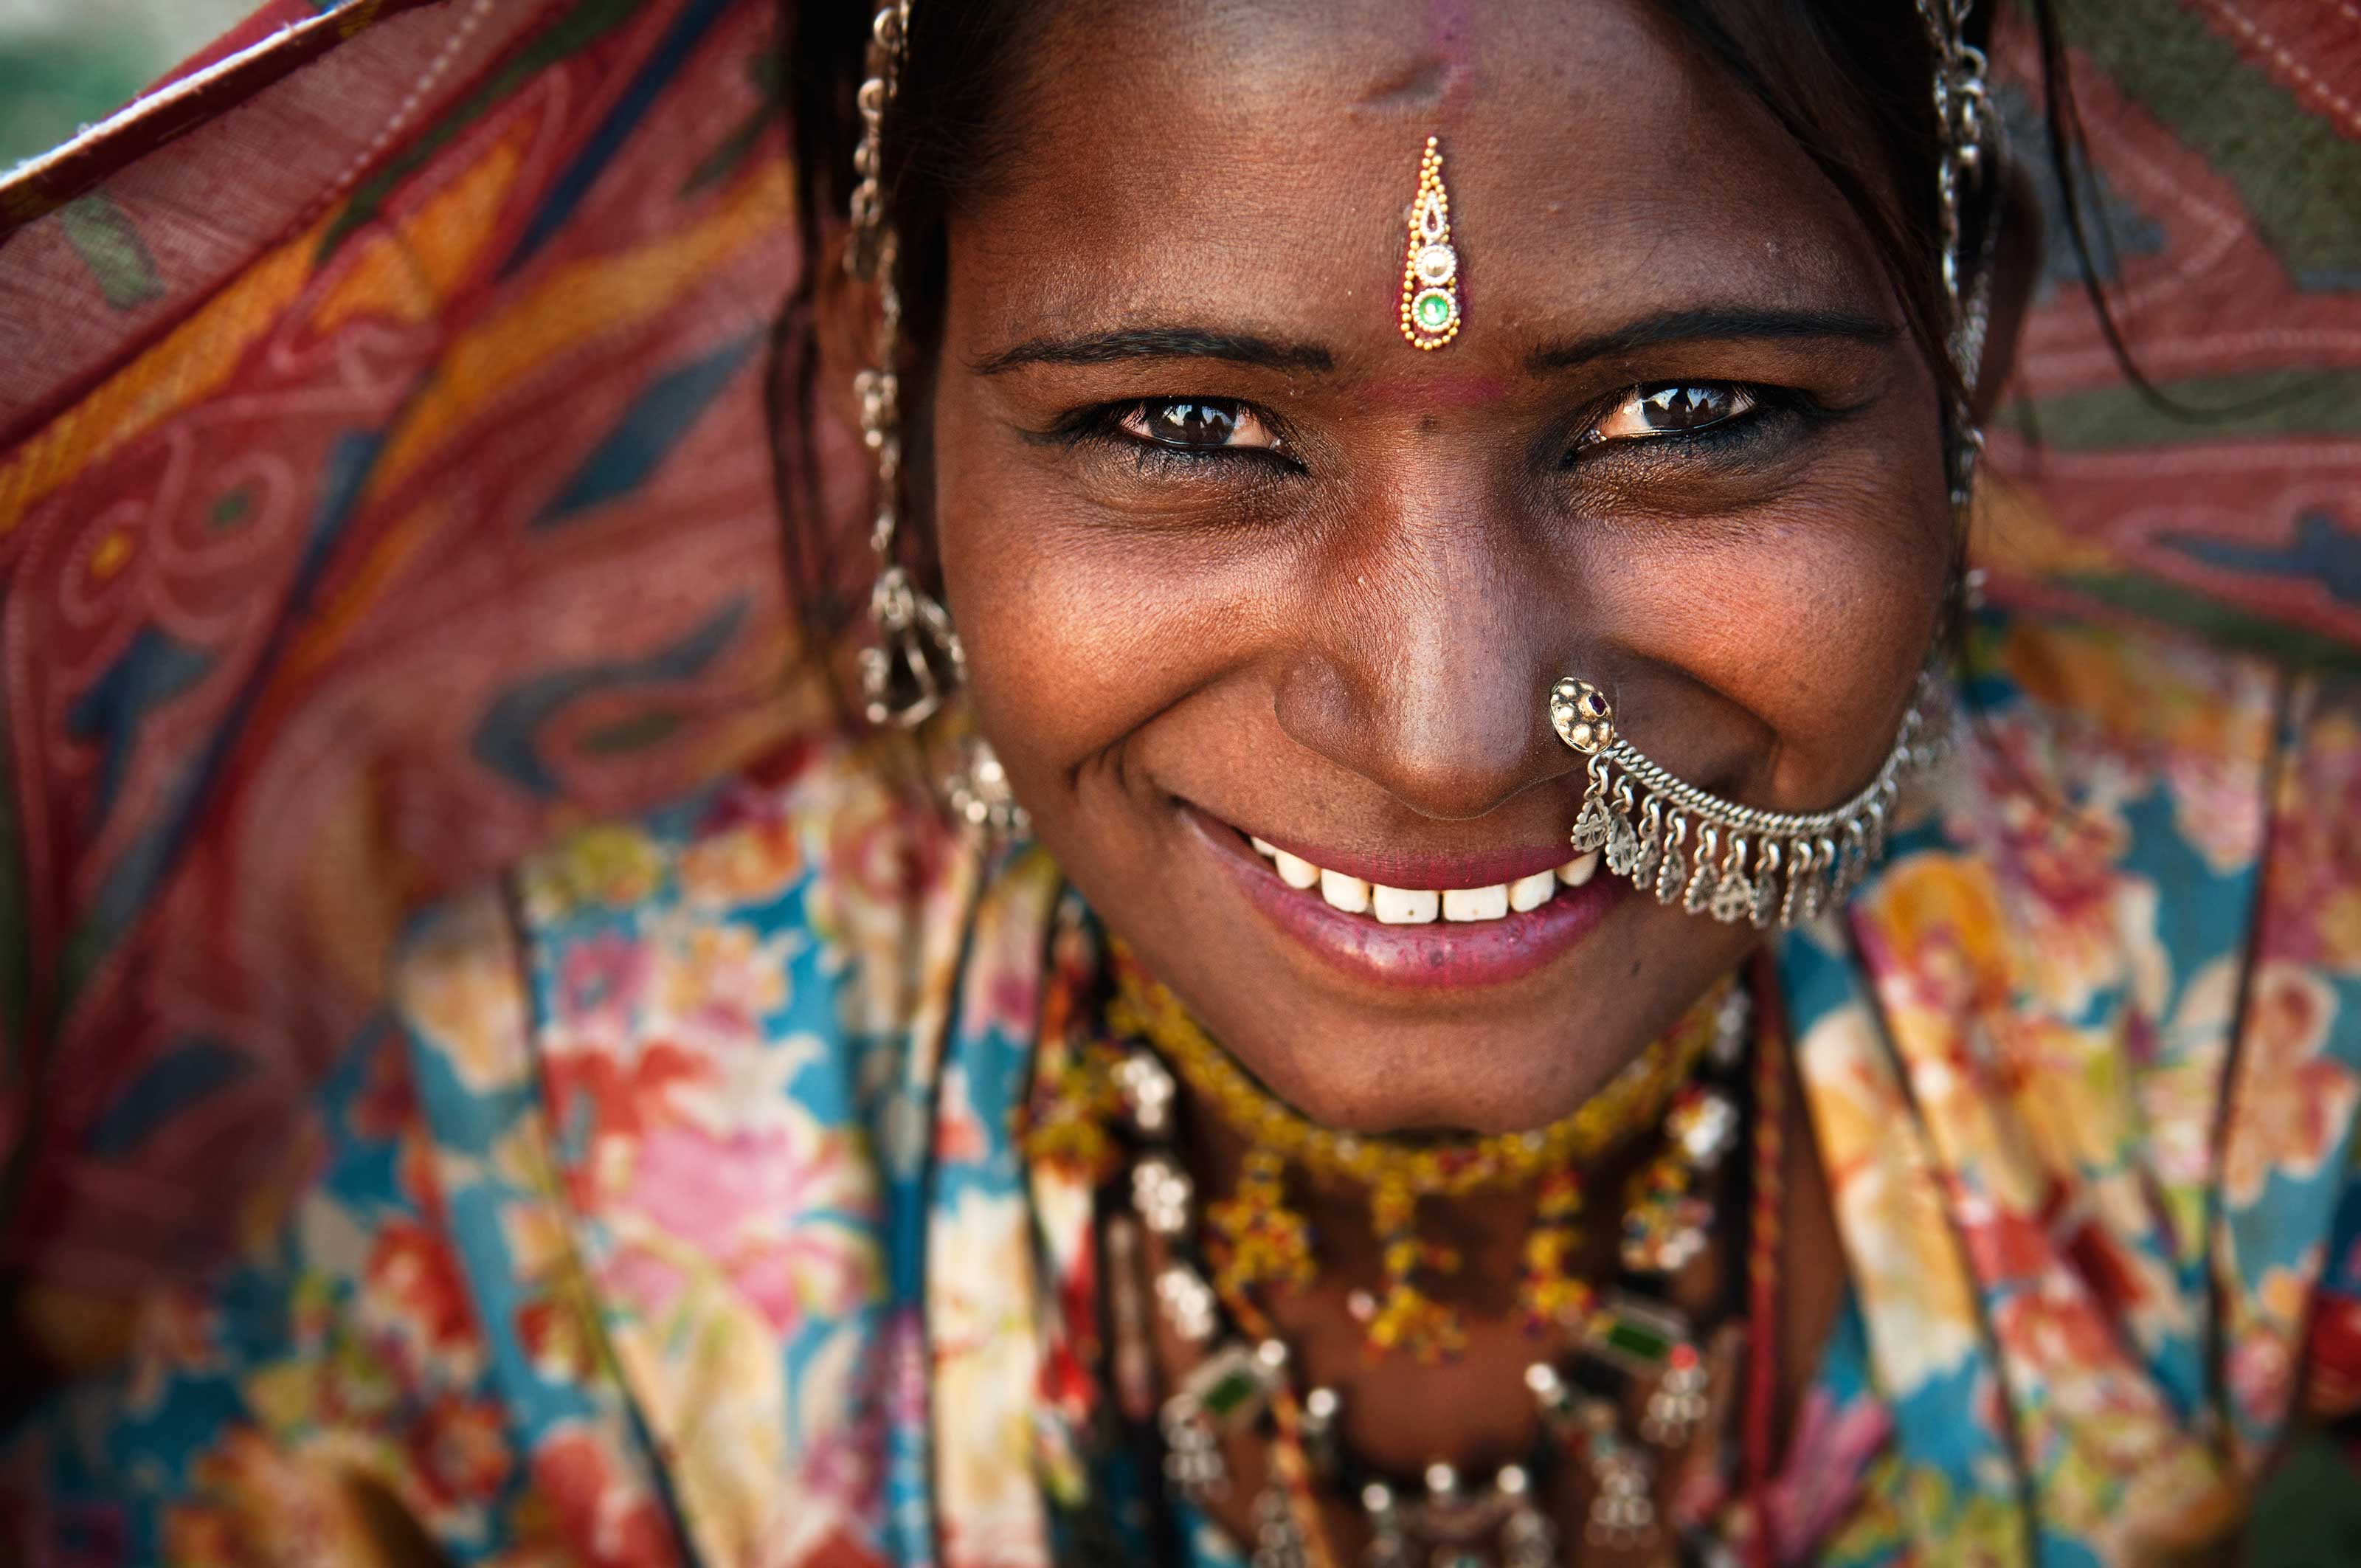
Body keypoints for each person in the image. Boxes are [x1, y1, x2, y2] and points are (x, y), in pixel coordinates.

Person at [4, 0, 2359, 1564]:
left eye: (1692, 417)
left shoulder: (2257, 971)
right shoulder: (570, 1151)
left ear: (1964, 363)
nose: (1445, 733)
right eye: (1186, 431)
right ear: (887, 397)